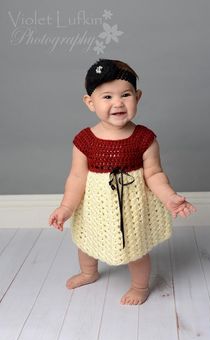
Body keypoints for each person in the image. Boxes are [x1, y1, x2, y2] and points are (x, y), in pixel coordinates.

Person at [49, 58, 196, 305]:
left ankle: (140, 287)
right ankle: (89, 272)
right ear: (90, 102)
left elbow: (154, 174)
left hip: (132, 209)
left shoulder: (144, 138)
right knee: (87, 242)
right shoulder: (85, 140)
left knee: (136, 250)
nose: (117, 103)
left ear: (137, 97)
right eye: (107, 97)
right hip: (95, 207)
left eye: (125, 94)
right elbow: (76, 176)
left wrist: (170, 197)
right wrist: (66, 207)